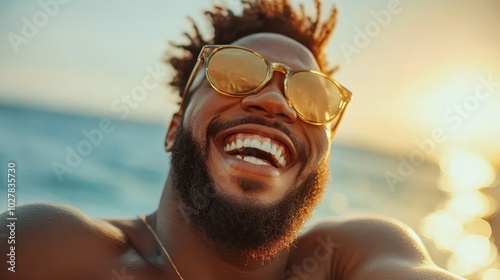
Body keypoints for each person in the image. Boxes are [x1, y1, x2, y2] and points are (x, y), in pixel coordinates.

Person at [1, 1, 463, 279]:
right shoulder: (54, 246)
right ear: (173, 127)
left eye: (311, 96)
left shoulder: (353, 258)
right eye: (237, 74)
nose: (277, 104)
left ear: (322, 155)